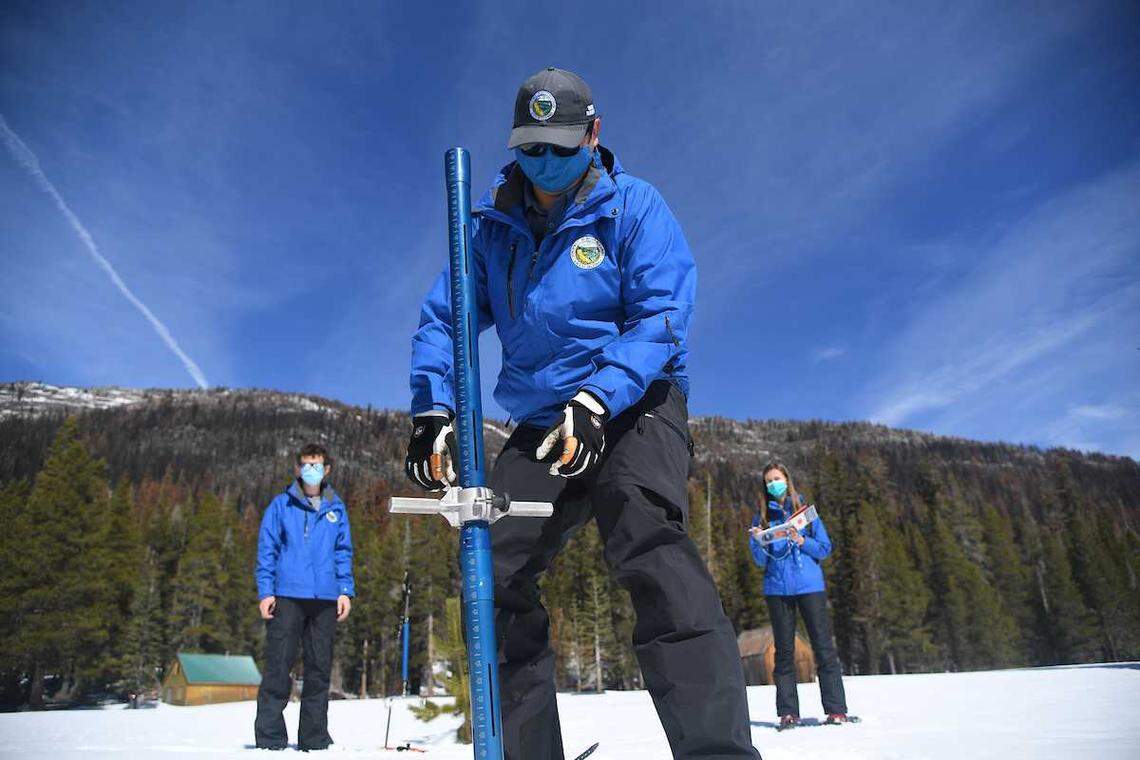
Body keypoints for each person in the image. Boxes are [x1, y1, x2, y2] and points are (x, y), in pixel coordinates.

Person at [406, 67, 760, 760]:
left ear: (593, 136)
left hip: (632, 402)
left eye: (561, 149)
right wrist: (432, 407)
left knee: (643, 530)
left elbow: (662, 317)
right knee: (494, 565)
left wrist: (598, 398)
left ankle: (717, 750)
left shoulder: (634, 207)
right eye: (531, 150)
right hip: (541, 420)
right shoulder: (487, 228)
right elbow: (443, 319)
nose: (545, 165)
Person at [254, 443, 354, 751]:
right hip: (287, 595)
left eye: (317, 464)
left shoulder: (336, 508)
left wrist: (345, 591)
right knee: (278, 666)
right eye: (305, 464)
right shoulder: (281, 506)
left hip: (325, 597)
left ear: (326, 470)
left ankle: (314, 738)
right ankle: (270, 739)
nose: (311, 470)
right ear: (298, 469)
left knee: (319, 669)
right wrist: (266, 591)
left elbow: (343, 552)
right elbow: (267, 550)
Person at [748, 461, 850, 730]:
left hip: (809, 587)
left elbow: (825, 548)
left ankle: (836, 709)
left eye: (777, 479)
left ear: (787, 479)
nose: (773, 484)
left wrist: (804, 542)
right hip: (777, 589)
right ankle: (788, 712)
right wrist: (758, 541)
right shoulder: (761, 516)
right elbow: (759, 561)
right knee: (783, 652)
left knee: (823, 648)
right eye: (769, 481)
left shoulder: (806, 512)